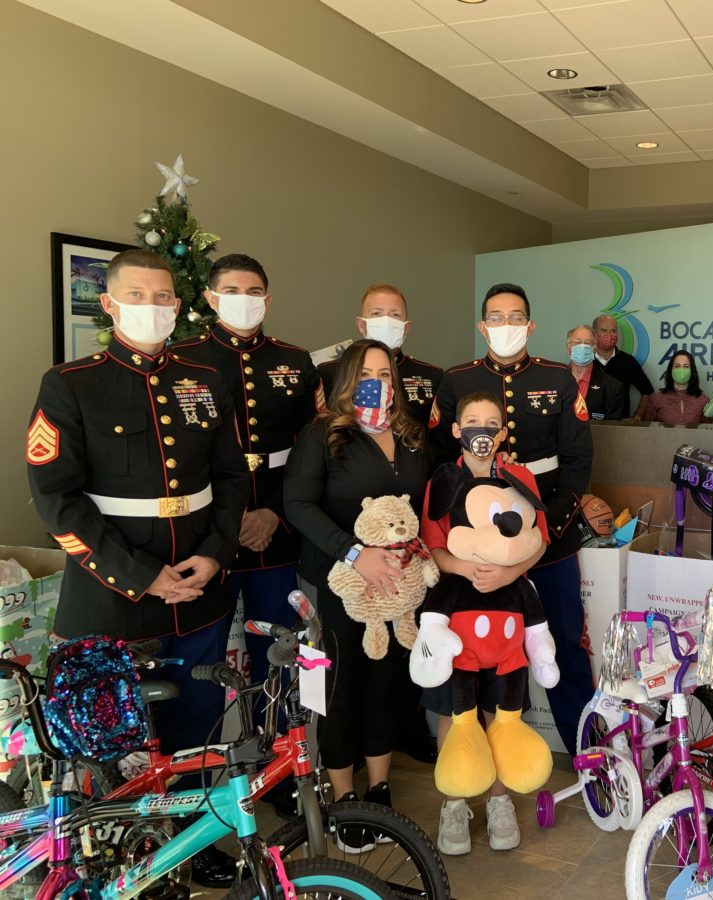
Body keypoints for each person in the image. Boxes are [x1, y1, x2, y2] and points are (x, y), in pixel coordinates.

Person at [27, 249, 249, 887]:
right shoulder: (71, 384)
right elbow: (57, 499)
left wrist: (217, 552)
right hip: (114, 602)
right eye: (138, 296)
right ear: (109, 303)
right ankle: (120, 860)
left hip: (200, 595)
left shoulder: (205, 378)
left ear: (178, 305)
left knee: (197, 728)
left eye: (163, 297)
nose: (153, 308)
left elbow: (232, 477)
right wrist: (141, 575)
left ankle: (195, 845)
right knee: (114, 746)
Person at [430, 283, 594, 757]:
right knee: (474, 653)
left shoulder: (557, 377)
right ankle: (479, 766)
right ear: (482, 327)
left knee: (563, 642)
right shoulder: (456, 379)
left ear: (530, 324)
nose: (507, 325)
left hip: (548, 537)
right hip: (474, 548)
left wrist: (546, 530)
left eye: (516, 316)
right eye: (497, 317)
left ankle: (587, 754)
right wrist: (460, 543)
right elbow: (440, 462)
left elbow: (578, 460)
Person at [283, 340, 432, 831]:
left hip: (397, 587)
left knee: (386, 683)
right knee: (340, 686)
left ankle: (379, 785)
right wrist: (353, 552)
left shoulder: (409, 434)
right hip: (339, 582)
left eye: (385, 374)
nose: (377, 383)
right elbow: (298, 504)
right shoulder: (325, 434)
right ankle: (344, 796)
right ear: (347, 379)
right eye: (366, 373)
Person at [172, 254, 321, 696]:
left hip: (277, 529)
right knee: (203, 657)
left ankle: (276, 735)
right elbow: (179, 457)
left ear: (267, 299)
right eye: (231, 291)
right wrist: (229, 521)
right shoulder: (182, 360)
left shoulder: (294, 360)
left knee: (279, 650)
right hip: (210, 532)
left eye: (254, 292)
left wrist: (274, 512)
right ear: (210, 298)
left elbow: (312, 448)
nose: (244, 299)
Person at [420, 391, 548, 856]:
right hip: (456, 616)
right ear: (457, 430)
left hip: (508, 618)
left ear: (503, 433)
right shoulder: (443, 480)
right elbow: (433, 546)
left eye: (491, 424)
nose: (482, 431)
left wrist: (511, 574)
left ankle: (498, 799)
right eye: (473, 421)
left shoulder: (519, 477)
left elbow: (539, 540)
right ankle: (454, 802)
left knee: (501, 709)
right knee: (452, 710)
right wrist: (465, 570)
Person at [317, 283, 443, 425]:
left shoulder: (432, 375)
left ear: (406, 328)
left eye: (395, 315)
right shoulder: (330, 372)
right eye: (376, 313)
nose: (386, 321)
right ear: (361, 325)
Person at [593, 313, 653, 419]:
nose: (609, 335)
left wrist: (637, 416)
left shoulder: (628, 362)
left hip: (619, 424)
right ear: (594, 334)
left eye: (613, 331)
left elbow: (647, 391)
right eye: (604, 331)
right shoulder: (585, 360)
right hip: (588, 424)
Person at [566, 324, 623, 421]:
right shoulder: (554, 381)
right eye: (577, 342)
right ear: (568, 348)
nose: (583, 347)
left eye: (588, 343)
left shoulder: (612, 387)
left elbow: (612, 428)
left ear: (595, 348)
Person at [641, 350, 711, 425]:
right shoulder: (656, 399)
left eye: (686, 366)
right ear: (671, 370)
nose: (681, 370)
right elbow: (647, 429)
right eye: (677, 366)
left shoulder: (704, 401)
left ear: (692, 371)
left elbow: (707, 430)